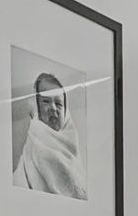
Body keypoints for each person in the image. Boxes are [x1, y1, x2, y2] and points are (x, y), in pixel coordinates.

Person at [14, 71, 89, 199]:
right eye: (46, 101)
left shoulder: (74, 151)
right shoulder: (32, 150)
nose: (53, 108)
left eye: (59, 103)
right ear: (36, 106)